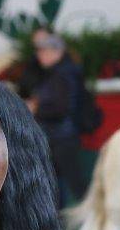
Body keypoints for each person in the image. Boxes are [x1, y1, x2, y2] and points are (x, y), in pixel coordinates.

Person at [17, 27, 86, 209]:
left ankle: (92, 220)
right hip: (56, 137)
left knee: (77, 187)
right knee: (57, 187)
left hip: (62, 138)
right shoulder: (56, 72)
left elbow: (61, 108)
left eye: (44, 51)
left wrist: (35, 109)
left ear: (57, 52)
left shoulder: (63, 74)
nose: (39, 56)